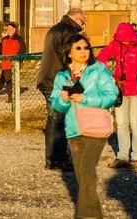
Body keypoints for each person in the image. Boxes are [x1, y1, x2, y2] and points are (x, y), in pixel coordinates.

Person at [50, 33, 119, 219]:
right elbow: (55, 103)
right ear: (69, 53)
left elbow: (111, 94)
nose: (83, 51)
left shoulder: (99, 70)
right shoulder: (63, 75)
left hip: (96, 127)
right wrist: (63, 100)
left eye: (86, 47)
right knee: (82, 175)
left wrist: (86, 99)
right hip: (74, 129)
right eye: (78, 48)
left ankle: (84, 216)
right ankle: (95, 215)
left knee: (88, 169)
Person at [36, 7, 86, 170]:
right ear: (77, 18)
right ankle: (59, 158)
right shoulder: (70, 32)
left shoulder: (55, 29)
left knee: (53, 120)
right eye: (82, 22)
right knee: (60, 119)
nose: (82, 26)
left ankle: (51, 159)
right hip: (58, 81)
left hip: (47, 78)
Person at [97, 22, 137, 169]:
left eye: (126, 38)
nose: (124, 41)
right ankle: (123, 155)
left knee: (136, 123)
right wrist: (109, 77)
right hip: (120, 90)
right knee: (122, 123)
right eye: (122, 38)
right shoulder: (116, 44)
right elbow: (101, 58)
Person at [0, 22, 25, 99]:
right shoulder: (4, 39)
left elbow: (22, 50)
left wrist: (18, 59)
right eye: (8, 29)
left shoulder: (19, 39)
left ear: (14, 29)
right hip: (5, 63)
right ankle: (11, 97)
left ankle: (13, 95)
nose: (9, 30)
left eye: (10, 29)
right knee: (8, 80)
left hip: (15, 62)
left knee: (14, 79)